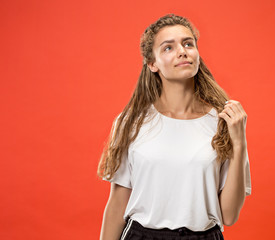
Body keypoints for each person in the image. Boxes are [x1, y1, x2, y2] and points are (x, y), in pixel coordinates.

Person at [98, 14, 252, 240]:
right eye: (168, 48)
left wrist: (239, 144)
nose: (182, 51)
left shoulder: (224, 121)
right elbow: (117, 204)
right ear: (152, 64)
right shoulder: (130, 122)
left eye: (188, 43)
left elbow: (228, 216)